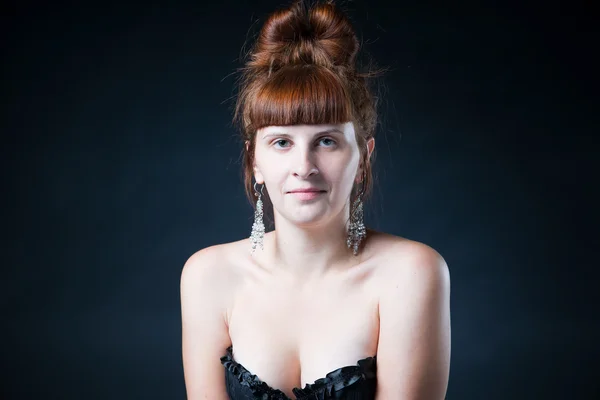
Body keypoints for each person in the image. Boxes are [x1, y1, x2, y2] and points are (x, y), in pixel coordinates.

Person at [180, 0, 451, 398]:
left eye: (326, 141)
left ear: (363, 157)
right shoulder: (208, 276)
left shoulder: (411, 274)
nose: (303, 166)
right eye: (282, 142)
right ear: (255, 161)